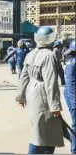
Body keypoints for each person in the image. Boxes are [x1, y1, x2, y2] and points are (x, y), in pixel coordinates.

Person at [16, 26, 64, 154]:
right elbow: (51, 82)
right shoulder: (49, 55)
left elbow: (23, 77)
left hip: (32, 92)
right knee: (42, 133)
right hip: (43, 95)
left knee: (43, 130)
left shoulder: (30, 54)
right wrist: (55, 106)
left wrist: (21, 96)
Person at [64, 40, 76, 154]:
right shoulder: (72, 63)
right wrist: (74, 104)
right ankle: (74, 150)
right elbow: (70, 83)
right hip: (72, 96)